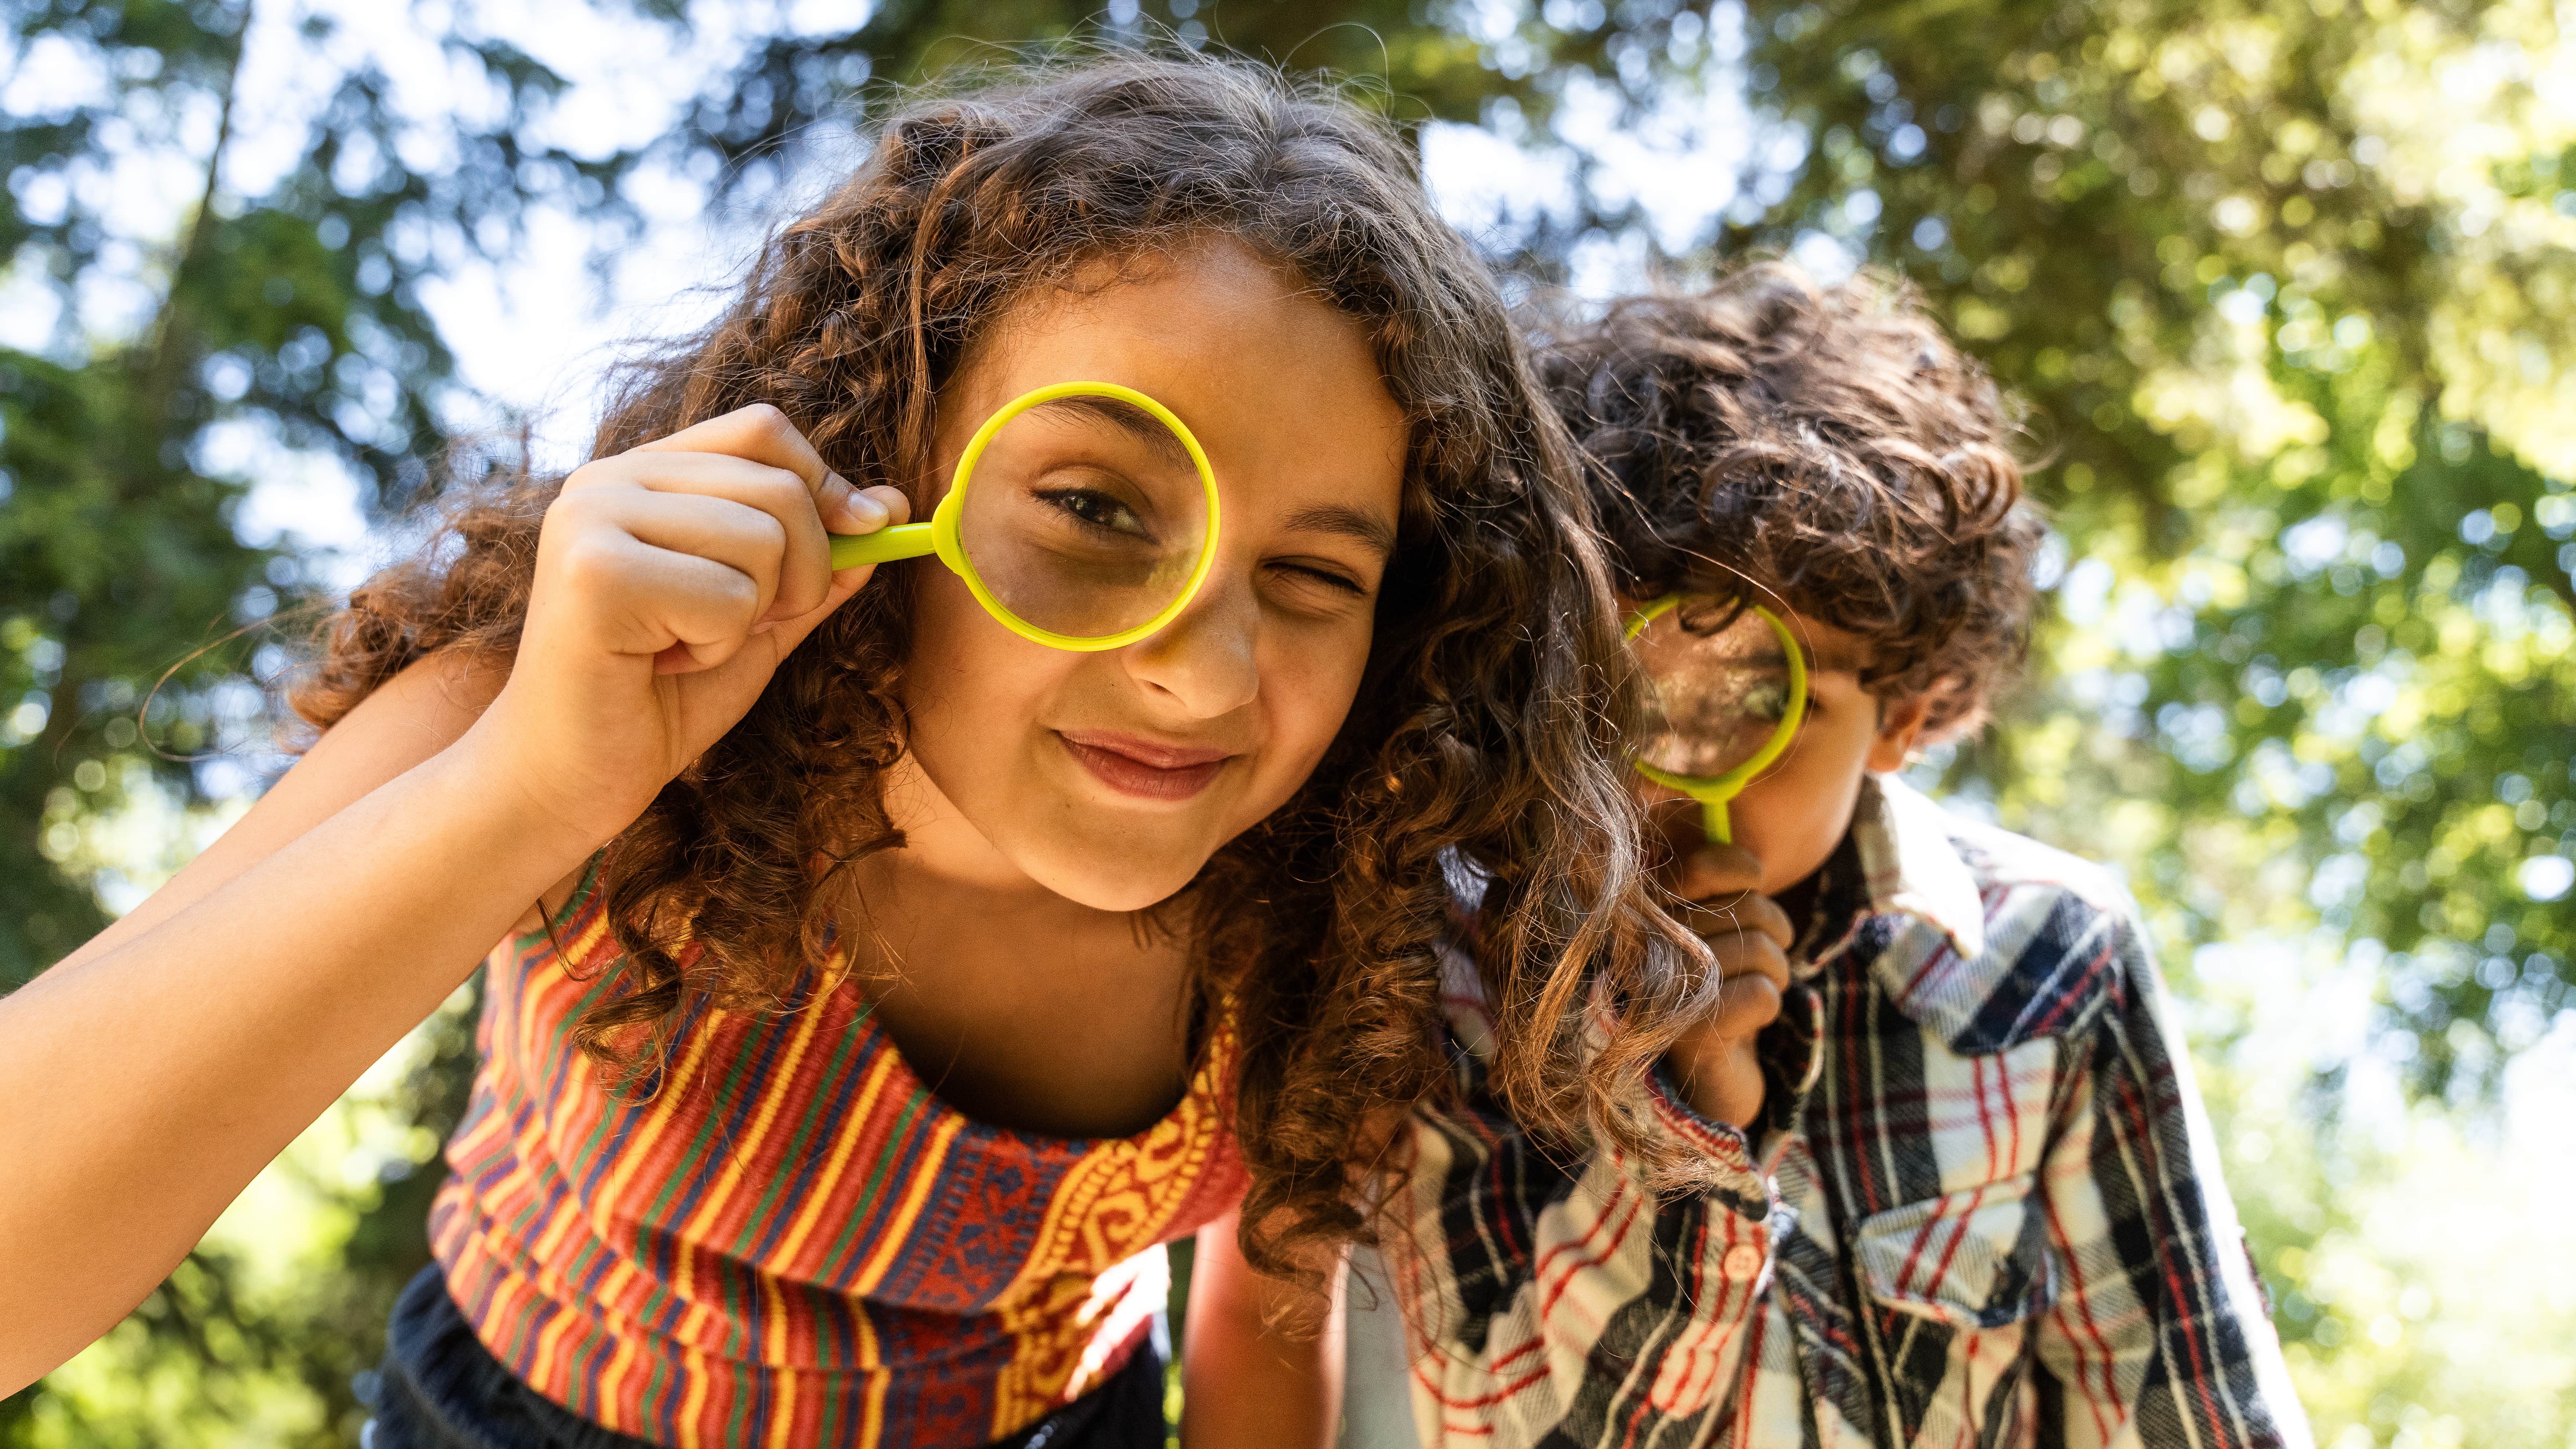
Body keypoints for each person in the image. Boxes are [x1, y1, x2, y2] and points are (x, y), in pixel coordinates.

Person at [0, 56, 1712, 1448]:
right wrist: (533, 783)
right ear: (879, 465)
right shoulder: (560, 709)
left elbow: (1263, 1321)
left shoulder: (1341, 901)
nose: (1201, 671)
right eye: (1097, 508)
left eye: (1317, 574)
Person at [1352, 263, 2313, 1448]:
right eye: (1617, 685)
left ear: (1903, 713)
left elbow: (2192, 1414)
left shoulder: (2053, 966)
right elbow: (1494, 1426)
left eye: (1761, 695)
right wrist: (1672, 1125)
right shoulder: (1452, 976)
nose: (1663, 766)